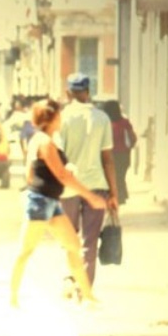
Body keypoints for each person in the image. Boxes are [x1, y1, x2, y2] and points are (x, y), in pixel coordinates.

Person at [9, 98, 107, 307]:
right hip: (40, 203)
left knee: (73, 245)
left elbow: (29, 174)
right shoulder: (44, 142)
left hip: (50, 202)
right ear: (52, 118)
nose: (61, 118)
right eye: (59, 115)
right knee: (25, 251)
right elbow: (62, 175)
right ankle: (12, 297)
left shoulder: (42, 140)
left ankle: (88, 296)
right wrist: (90, 196)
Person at [59, 73, 119, 291]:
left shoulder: (62, 118)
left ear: (68, 93)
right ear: (88, 92)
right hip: (97, 187)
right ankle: (85, 289)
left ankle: (73, 278)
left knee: (69, 238)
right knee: (90, 241)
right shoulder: (102, 118)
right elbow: (108, 160)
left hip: (69, 187)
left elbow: (58, 156)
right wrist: (114, 194)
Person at [101, 100, 137, 205]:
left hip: (109, 155)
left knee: (110, 177)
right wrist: (129, 148)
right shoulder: (125, 122)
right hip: (123, 155)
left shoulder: (105, 123)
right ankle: (120, 197)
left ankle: (113, 197)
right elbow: (133, 137)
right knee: (120, 176)